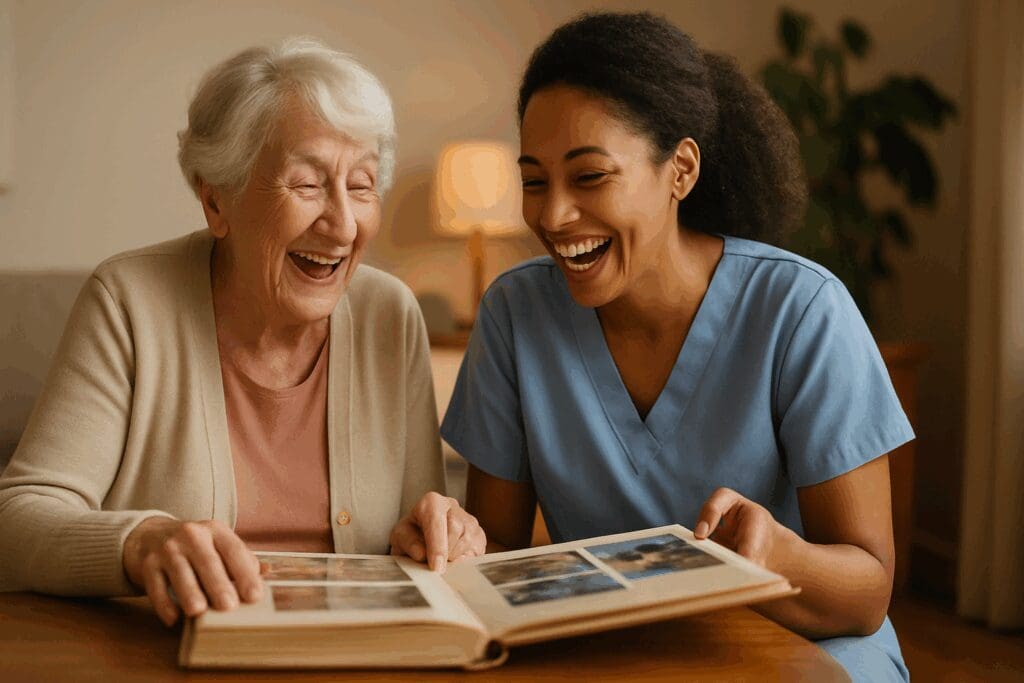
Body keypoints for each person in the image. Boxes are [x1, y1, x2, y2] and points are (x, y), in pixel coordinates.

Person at [441, 12, 911, 682]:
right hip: (613, 653)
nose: (552, 216)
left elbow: (867, 594)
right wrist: (448, 539)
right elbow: (499, 555)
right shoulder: (515, 314)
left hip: (802, 646)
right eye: (536, 180)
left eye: (590, 176)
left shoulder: (802, 310)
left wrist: (776, 554)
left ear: (680, 170)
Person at [0, 38, 484, 627]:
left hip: (361, 652)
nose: (342, 223)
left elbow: (413, 532)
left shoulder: (390, 313)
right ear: (215, 201)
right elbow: (18, 521)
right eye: (306, 184)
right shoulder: (129, 301)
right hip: (167, 652)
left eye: (360, 185)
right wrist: (141, 542)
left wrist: (436, 529)